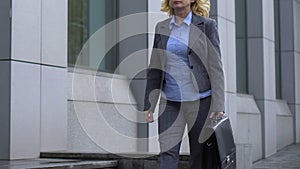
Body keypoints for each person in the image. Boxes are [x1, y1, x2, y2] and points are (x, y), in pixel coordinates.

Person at [143, 0, 225, 168]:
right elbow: (155, 68)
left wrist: (218, 105)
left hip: (201, 101)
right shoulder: (162, 27)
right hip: (170, 102)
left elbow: (216, 67)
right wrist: (150, 104)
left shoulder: (206, 25)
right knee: (167, 151)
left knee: (199, 154)